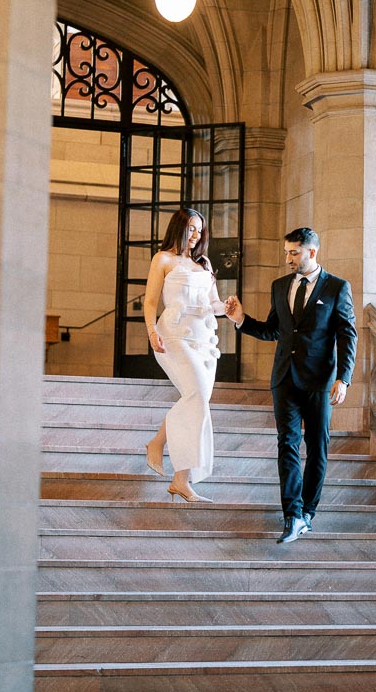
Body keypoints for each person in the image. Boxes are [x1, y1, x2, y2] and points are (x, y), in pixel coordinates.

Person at [225, 227, 357, 543]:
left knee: (317, 447)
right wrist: (241, 320)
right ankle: (292, 515)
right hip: (284, 378)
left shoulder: (337, 287)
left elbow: (347, 334)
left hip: (319, 382)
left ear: (312, 252)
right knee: (286, 444)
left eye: (294, 252)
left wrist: (344, 378)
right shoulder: (280, 286)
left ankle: (308, 511)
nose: (288, 258)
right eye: (286, 252)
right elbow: (275, 330)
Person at [142, 207, 228, 502]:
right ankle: (165, 455)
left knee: (196, 399)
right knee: (198, 394)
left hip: (205, 340)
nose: (196, 235)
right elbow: (151, 302)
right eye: (191, 228)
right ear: (179, 227)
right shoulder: (162, 259)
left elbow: (214, 304)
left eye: (200, 230)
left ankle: (176, 472)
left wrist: (227, 307)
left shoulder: (204, 262)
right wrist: (152, 332)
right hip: (173, 336)